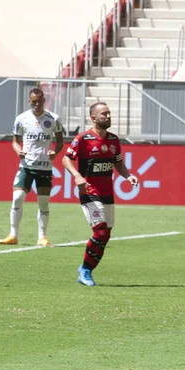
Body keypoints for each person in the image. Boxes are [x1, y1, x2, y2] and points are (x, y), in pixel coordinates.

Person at [62, 102, 139, 286]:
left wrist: (129, 176)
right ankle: (86, 271)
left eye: (109, 113)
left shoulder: (113, 140)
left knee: (106, 235)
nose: (108, 116)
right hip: (89, 191)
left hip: (107, 193)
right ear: (93, 118)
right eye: (104, 114)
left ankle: (85, 269)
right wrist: (77, 176)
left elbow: (118, 163)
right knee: (100, 231)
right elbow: (66, 159)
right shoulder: (83, 139)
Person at [0, 88, 63, 247]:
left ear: (44, 101)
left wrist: (55, 151)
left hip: (45, 167)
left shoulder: (53, 119)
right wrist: (18, 150)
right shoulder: (21, 119)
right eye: (34, 102)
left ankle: (42, 237)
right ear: (29, 101)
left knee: (43, 203)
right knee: (17, 198)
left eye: (39, 101)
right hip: (26, 167)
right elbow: (14, 141)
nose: (37, 105)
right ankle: (13, 235)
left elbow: (60, 140)